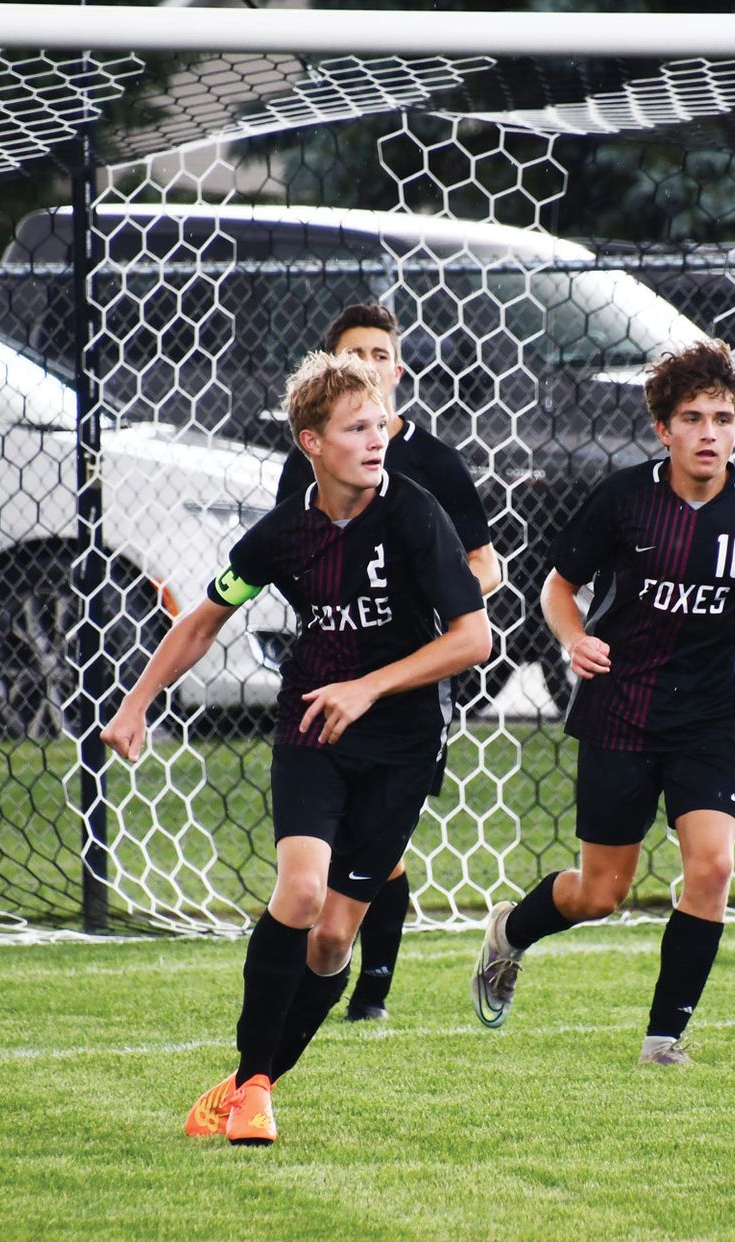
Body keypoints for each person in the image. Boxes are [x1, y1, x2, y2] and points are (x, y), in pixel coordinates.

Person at [103, 350, 489, 1145]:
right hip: (312, 728)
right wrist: (138, 701)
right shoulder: (283, 534)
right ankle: (251, 1091)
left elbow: (473, 639)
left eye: (380, 422)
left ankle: (254, 1083)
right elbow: (205, 616)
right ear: (312, 443)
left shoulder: (415, 515)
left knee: (333, 940)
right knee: (302, 893)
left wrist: (372, 686)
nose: (376, 438)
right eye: (356, 428)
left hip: (402, 741)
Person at [469, 339, 735, 1063]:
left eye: (723, 419)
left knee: (713, 867)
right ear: (662, 428)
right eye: (692, 418)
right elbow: (557, 587)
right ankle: (511, 933)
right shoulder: (625, 499)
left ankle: (664, 1040)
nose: (708, 432)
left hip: (709, 718)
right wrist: (573, 639)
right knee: (600, 893)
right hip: (621, 711)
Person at [274, 303, 500, 1023]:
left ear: (398, 369)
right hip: (333, 675)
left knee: (384, 848)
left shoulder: (431, 465)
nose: (369, 365)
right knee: (322, 852)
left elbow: (483, 569)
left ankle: (372, 986)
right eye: (354, 354)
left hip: (411, 683)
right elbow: (293, 553)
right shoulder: (308, 466)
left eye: (380, 353)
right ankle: (320, 978)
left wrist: (436, 596)